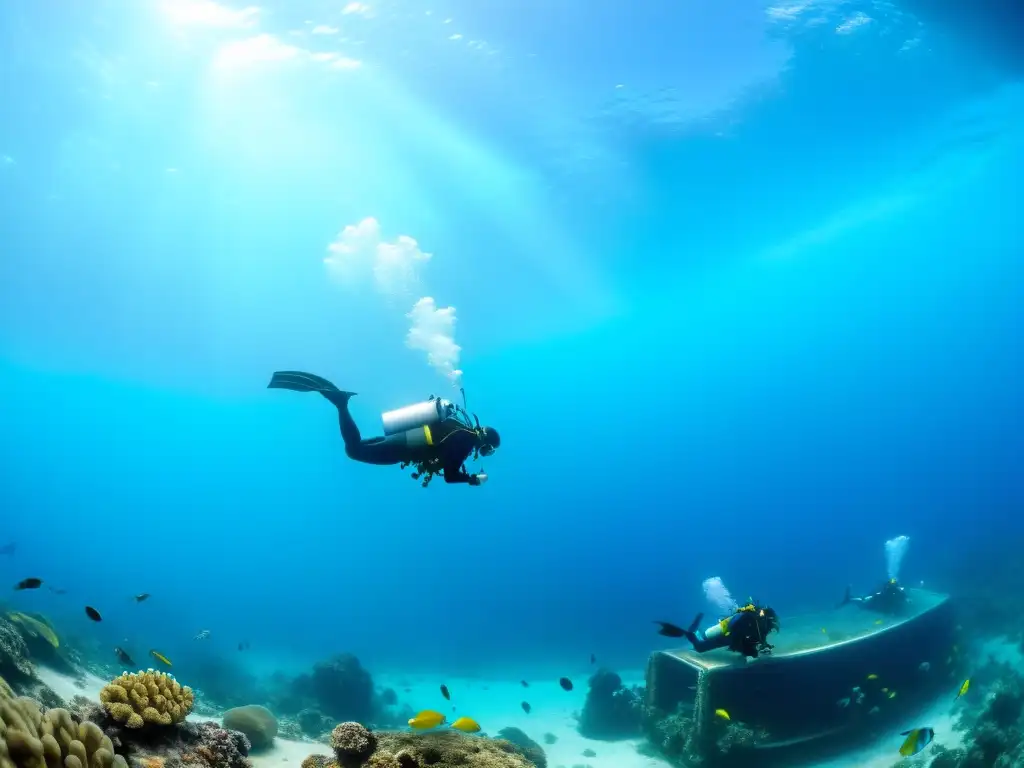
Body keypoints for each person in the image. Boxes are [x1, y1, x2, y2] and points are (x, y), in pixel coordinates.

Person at [268, 371, 500, 486]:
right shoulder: (467, 440)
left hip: (406, 438)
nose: (485, 453)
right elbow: (450, 476)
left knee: (354, 448)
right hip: (406, 447)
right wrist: (471, 479)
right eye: (488, 450)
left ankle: (340, 403)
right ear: (486, 442)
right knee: (354, 451)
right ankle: (341, 403)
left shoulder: (460, 428)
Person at [682, 602, 781, 659]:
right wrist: (751, 651)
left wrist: (764, 646)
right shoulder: (748, 619)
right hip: (729, 634)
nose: (770, 628)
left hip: (735, 636)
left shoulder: (761, 625)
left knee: (702, 642)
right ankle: (690, 632)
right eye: (769, 624)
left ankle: (697, 632)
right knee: (699, 647)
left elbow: (758, 638)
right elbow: (737, 639)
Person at [840, 579, 909, 615]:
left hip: (882, 604)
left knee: (864, 604)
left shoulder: (898, 590)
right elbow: (877, 595)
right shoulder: (886, 591)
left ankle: (850, 599)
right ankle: (849, 599)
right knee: (864, 605)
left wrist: (907, 599)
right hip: (875, 604)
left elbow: (903, 595)